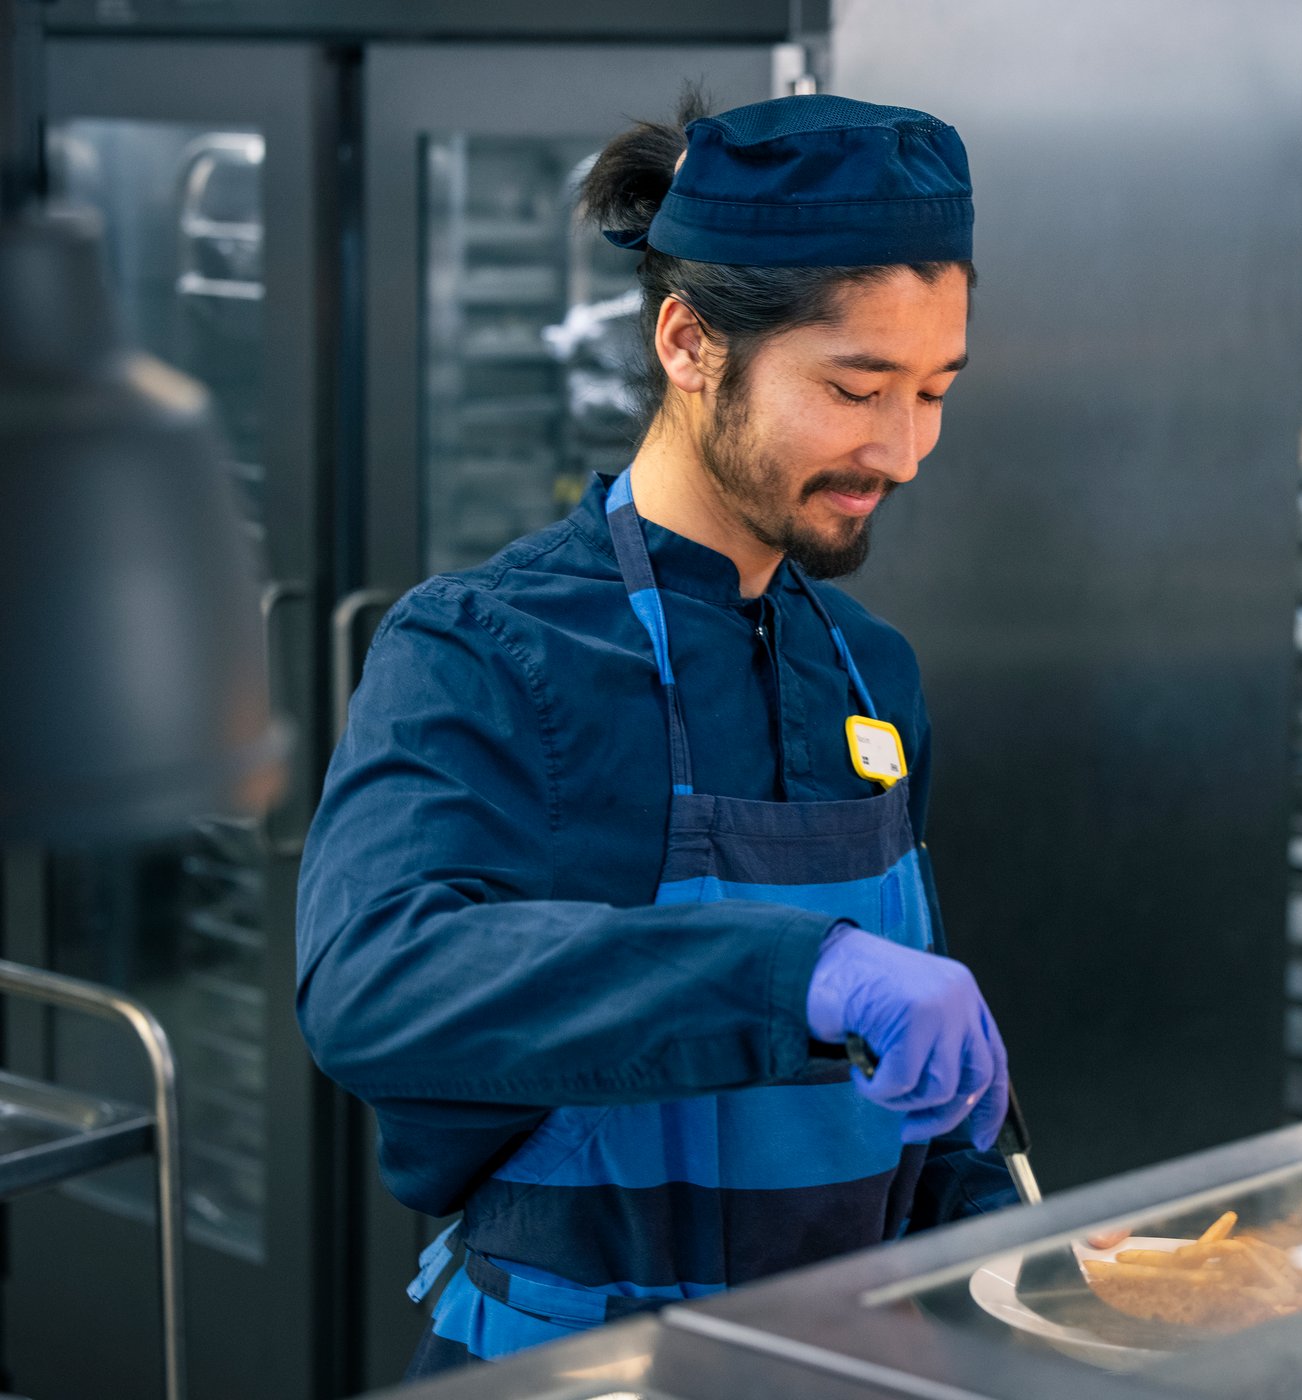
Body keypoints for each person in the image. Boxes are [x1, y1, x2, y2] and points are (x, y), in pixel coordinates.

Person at [296, 90, 1017, 1378]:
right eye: (857, 389)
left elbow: (930, 1108)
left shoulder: (870, 674)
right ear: (691, 343)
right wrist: (800, 976)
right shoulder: (481, 649)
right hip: (583, 1366)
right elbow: (373, 980)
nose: (904, 450)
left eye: (934, 391)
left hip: (841, 1362)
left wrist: (1022, 1270)